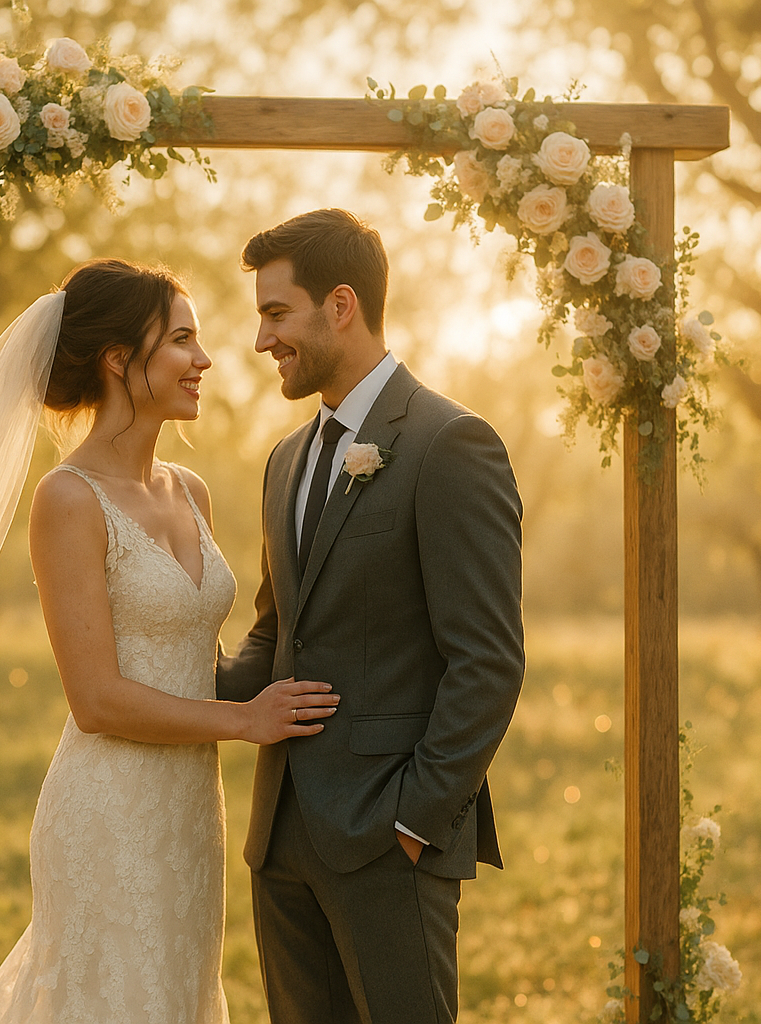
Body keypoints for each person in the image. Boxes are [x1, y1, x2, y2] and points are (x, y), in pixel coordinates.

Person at [0, 257, 339, 1023]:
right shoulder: (68, 498)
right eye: (182, 341)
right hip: (108, 809)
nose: (205, 361)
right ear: (119, 360)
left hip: (192, 811)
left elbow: (203, 651)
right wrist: (246, 721)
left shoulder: (189, 491)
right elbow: (95, 700)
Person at [217, 210, 525, 1024]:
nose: (260, 341)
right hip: (280, 839)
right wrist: (148, 678)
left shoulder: (450, 443)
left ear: (341, 305)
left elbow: (488, 661)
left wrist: (417, 821)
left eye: (275, 313)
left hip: (390, 840)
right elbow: (274, 634)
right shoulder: (285, 460)